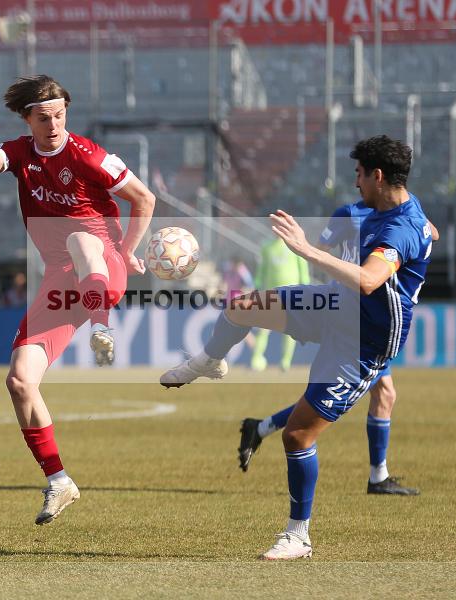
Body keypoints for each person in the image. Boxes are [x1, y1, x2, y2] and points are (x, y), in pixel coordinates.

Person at [160, 135, 432, 559]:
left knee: (298, 434)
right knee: (243, 306)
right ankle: (209, 361)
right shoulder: (380, 212)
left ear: (378, 176)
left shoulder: (400, 227)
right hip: (334, 306)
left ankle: (298, 536)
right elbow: (426, 231)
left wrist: (304, 248)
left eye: (360, 174)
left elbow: (368, 279)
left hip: (362, 343)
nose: (355, 182)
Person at [0, 75, 155, 525]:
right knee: (19, 381)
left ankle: (101, 327)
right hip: (60, 283)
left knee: (80, 238)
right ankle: (58, 480)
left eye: (59, 114)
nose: (53, 124)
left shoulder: (89, 155)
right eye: (43, 117)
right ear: (28, 119)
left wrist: (127, 251)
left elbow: (144, 198)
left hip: (102, 264)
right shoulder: (20, 153)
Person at [238, 202, 440, 496]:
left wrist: (415, 227)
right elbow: (319, 248)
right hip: (353, 316)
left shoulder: (402, 212)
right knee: (331, 400)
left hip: (374, 319)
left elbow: (431, 233)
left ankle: (261, 429)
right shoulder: (349, 214)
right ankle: (375, 477)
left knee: (380, 394)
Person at [249, 237, 310, 372]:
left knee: (290, 330)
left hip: (293, 294)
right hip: (271, 293)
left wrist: (306, 288)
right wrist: (257, 285)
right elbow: (262, 269)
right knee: (263, 328)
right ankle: (256, 360)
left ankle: (285, 362)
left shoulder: (295, 244)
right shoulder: (267, 246)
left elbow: (303, 269)